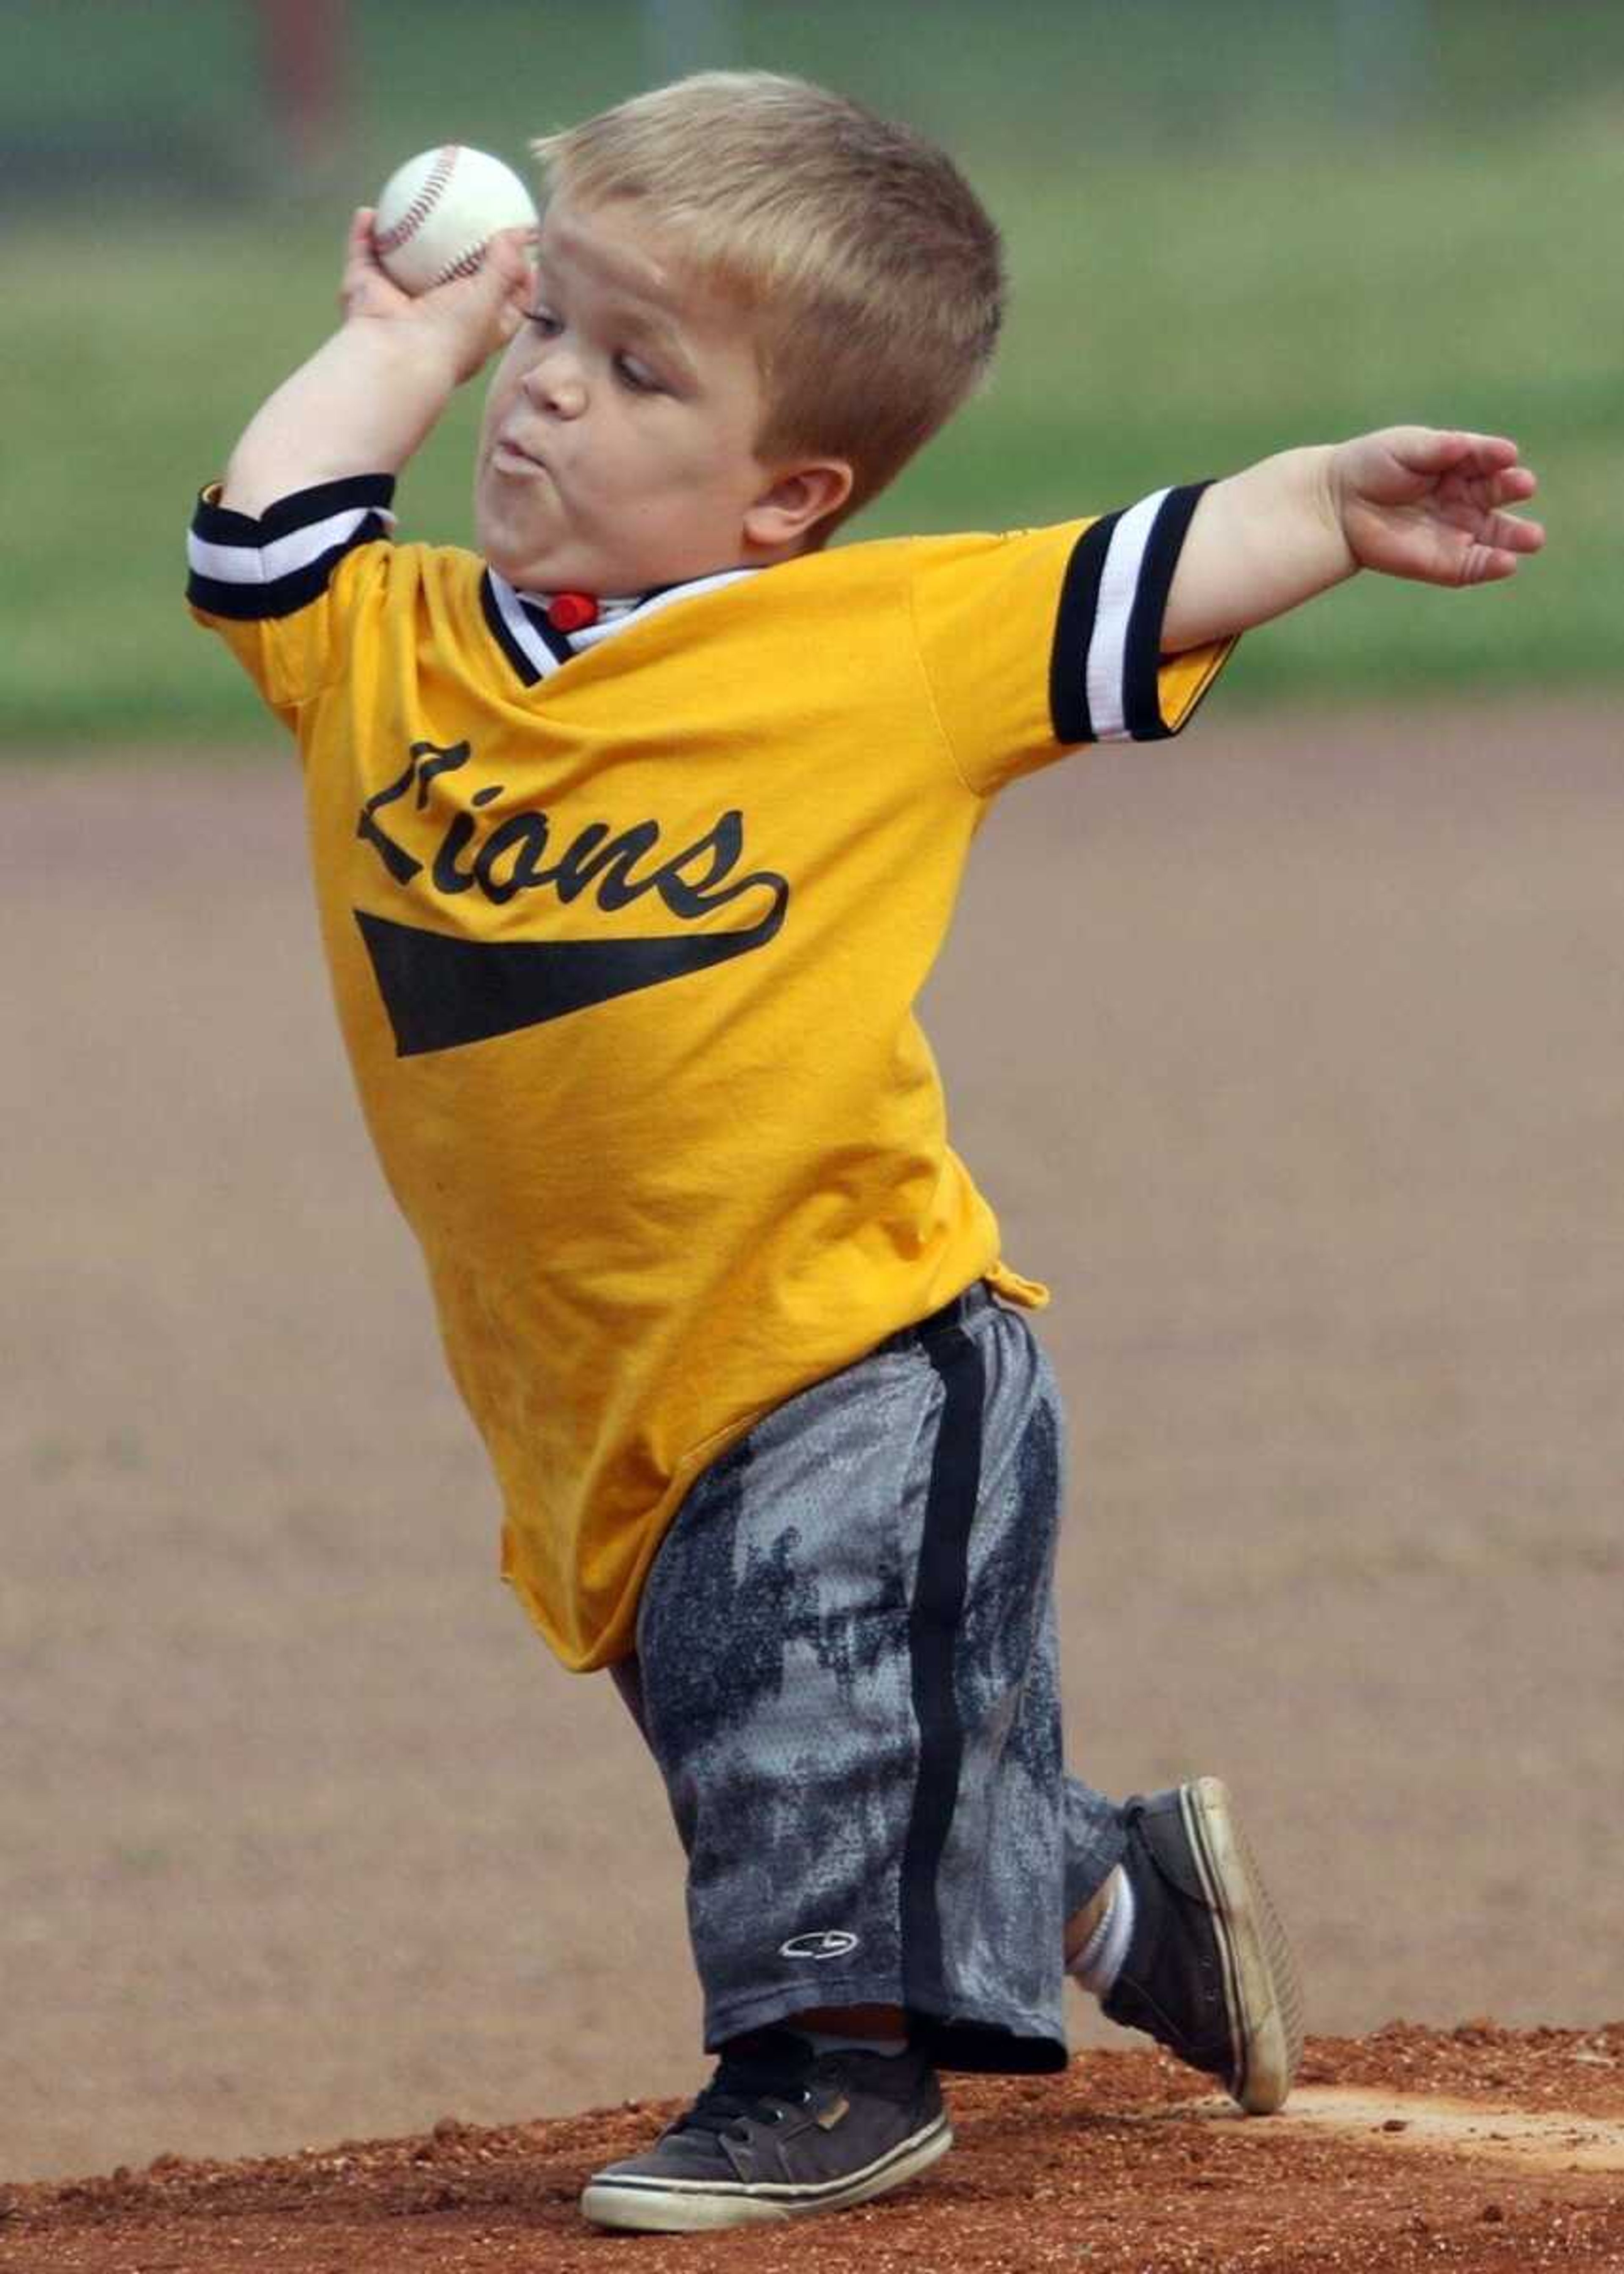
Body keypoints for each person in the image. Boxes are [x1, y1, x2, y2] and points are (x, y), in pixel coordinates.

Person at [186, 70, 1543, 2236]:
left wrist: (1325, 496)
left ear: (786, 493)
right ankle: (1121, 1895)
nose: (544, 398)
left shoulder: (862, 648)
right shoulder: (401, 645)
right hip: (591, 1376)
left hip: (855, 1341)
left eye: (636, 372)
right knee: (770, 1720)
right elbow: (257, 541)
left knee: (804, 1731)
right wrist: (399, 342)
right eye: (551, 335)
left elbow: (1135, 572)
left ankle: (832, 2070)